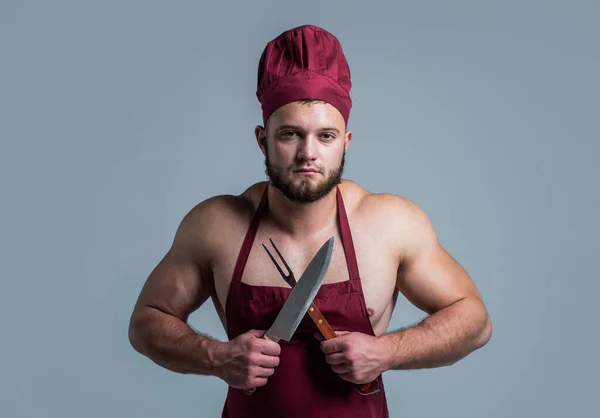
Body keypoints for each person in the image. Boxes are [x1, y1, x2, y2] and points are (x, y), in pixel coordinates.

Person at [128, 24, 492, 417]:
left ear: (346, 142)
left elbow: (475, 321)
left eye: (326, 136)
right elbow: (145, 323)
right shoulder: (217, 225)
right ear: (261, 139)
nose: (308, 154)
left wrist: (386, 352)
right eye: (290, 135)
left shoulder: (389, 224)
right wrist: (216, 356)